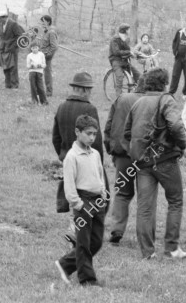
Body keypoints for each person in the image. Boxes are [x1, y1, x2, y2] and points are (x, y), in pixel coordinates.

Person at [124, 68, 186, 260]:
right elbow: (176, 125)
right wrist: (182, 144)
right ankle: (171, 249)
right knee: (175, 201)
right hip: (165, 159)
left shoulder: (138, 103)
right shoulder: (166, 100)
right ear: (164, 83)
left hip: (142, 162)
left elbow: (127, 133)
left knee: (145, 207)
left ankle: (147, 252)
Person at [52, 72, 105, 246]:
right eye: (88, 89)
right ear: (82, 90)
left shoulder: (61, 107)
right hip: (86, 159)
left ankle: (76, 231)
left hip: (69, 157)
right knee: (90, 198)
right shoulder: (89, 109)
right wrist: (98, 163)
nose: (90, 93)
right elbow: (95, 140)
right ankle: (77, 232)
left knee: (74, 194)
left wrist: (63, 156)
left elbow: (55, 137)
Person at [55, 115, 108, 287]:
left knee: (96, 241)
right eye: (88, 134)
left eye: (95, 134)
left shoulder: (96, 154)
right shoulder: (72, 157)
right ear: (77, 132)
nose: (92, 138)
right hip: (82, 201)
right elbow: (69, 186)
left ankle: (65, 264)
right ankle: (88, 280)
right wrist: (78, 204)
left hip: (97, 201)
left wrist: (103, 192)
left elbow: (100, 174)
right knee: (83, 243)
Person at [104, 77, 145, 244]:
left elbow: (109, 125)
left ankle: (116, 229)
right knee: (145, 196)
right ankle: (144, 235)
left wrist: (111, 148)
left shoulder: (122, 99)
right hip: (144, 156)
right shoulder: (153, 101)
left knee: (122, 193)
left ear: (136, 85)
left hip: (122, 155)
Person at [109, 23, 141, 97]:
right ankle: (119, 98)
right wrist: (129, 52)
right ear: (125, 31)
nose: (129, 31)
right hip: (116, 60)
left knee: (138, 75)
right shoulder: (114, 39)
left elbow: (128, 49)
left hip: (125, 61)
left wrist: (135, 54)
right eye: (128, 30)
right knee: (119, 77)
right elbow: (116, 52)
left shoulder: (126, 38)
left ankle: (139, 93)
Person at [0, 14, 25, 89]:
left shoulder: (13, 24)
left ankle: (15, 85)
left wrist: (13, 46)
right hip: (4, 49)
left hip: (12, 49)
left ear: (5, 17)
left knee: (13, 68)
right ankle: (8, 85)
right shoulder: (2, 24)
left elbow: (19, 36)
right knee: (5, 67)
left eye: (0, 18)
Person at [40, 14, 58, 97]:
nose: (42, 23)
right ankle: (41, 90)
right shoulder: (45, 32)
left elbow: (54, 47)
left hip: (46, 57)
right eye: (41, 22)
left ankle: (49, 92)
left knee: (47, 74)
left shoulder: (51, 32)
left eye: (43, 22)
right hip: (42, 56)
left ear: (48, 22)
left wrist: (48, 55)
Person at [27, 40, 48, 105]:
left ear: (38, 48)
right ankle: (34, 100)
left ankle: (44, 101)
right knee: (33, 86)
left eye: (36, 47)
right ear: (31, 48)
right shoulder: (29, 55)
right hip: (32, 72)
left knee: (40, 86)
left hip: (39, 72)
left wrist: (40, 65)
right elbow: (28, 66)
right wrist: (31, 66)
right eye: (33, 48)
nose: (34, 49)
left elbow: (44, 64)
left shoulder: (41, 55)